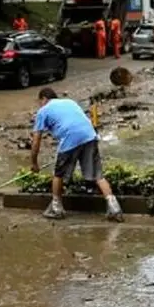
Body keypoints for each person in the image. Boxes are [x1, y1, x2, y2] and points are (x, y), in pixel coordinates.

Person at [31, 88, 123, 221]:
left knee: (59, 174)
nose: (40, 104)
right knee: (98, 175)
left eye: (40, 102)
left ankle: (56, 208)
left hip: (70, 138)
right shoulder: (69, 102)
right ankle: (114, 207)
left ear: (43, 99)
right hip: (89, 135)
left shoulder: (43, 111)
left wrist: (34, 163)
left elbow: (36, 140)